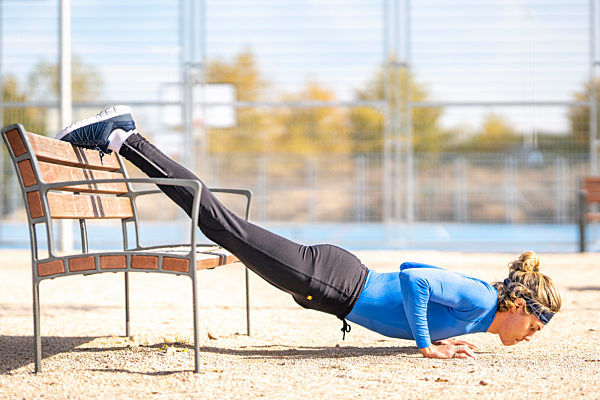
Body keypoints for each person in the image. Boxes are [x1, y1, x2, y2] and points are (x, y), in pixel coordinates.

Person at [56, 106, 562, 360]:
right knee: (217, 222)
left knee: (220, 225)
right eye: (534, 328)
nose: (529, 337)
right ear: (517, 308)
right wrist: (426, 342)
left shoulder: (476, 320)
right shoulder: (478, 298)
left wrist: (441, 339)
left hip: (337, 279)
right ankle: (124, 136)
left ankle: (124, 138)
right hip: (333, 278)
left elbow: (410, 273)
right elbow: (417, 281)